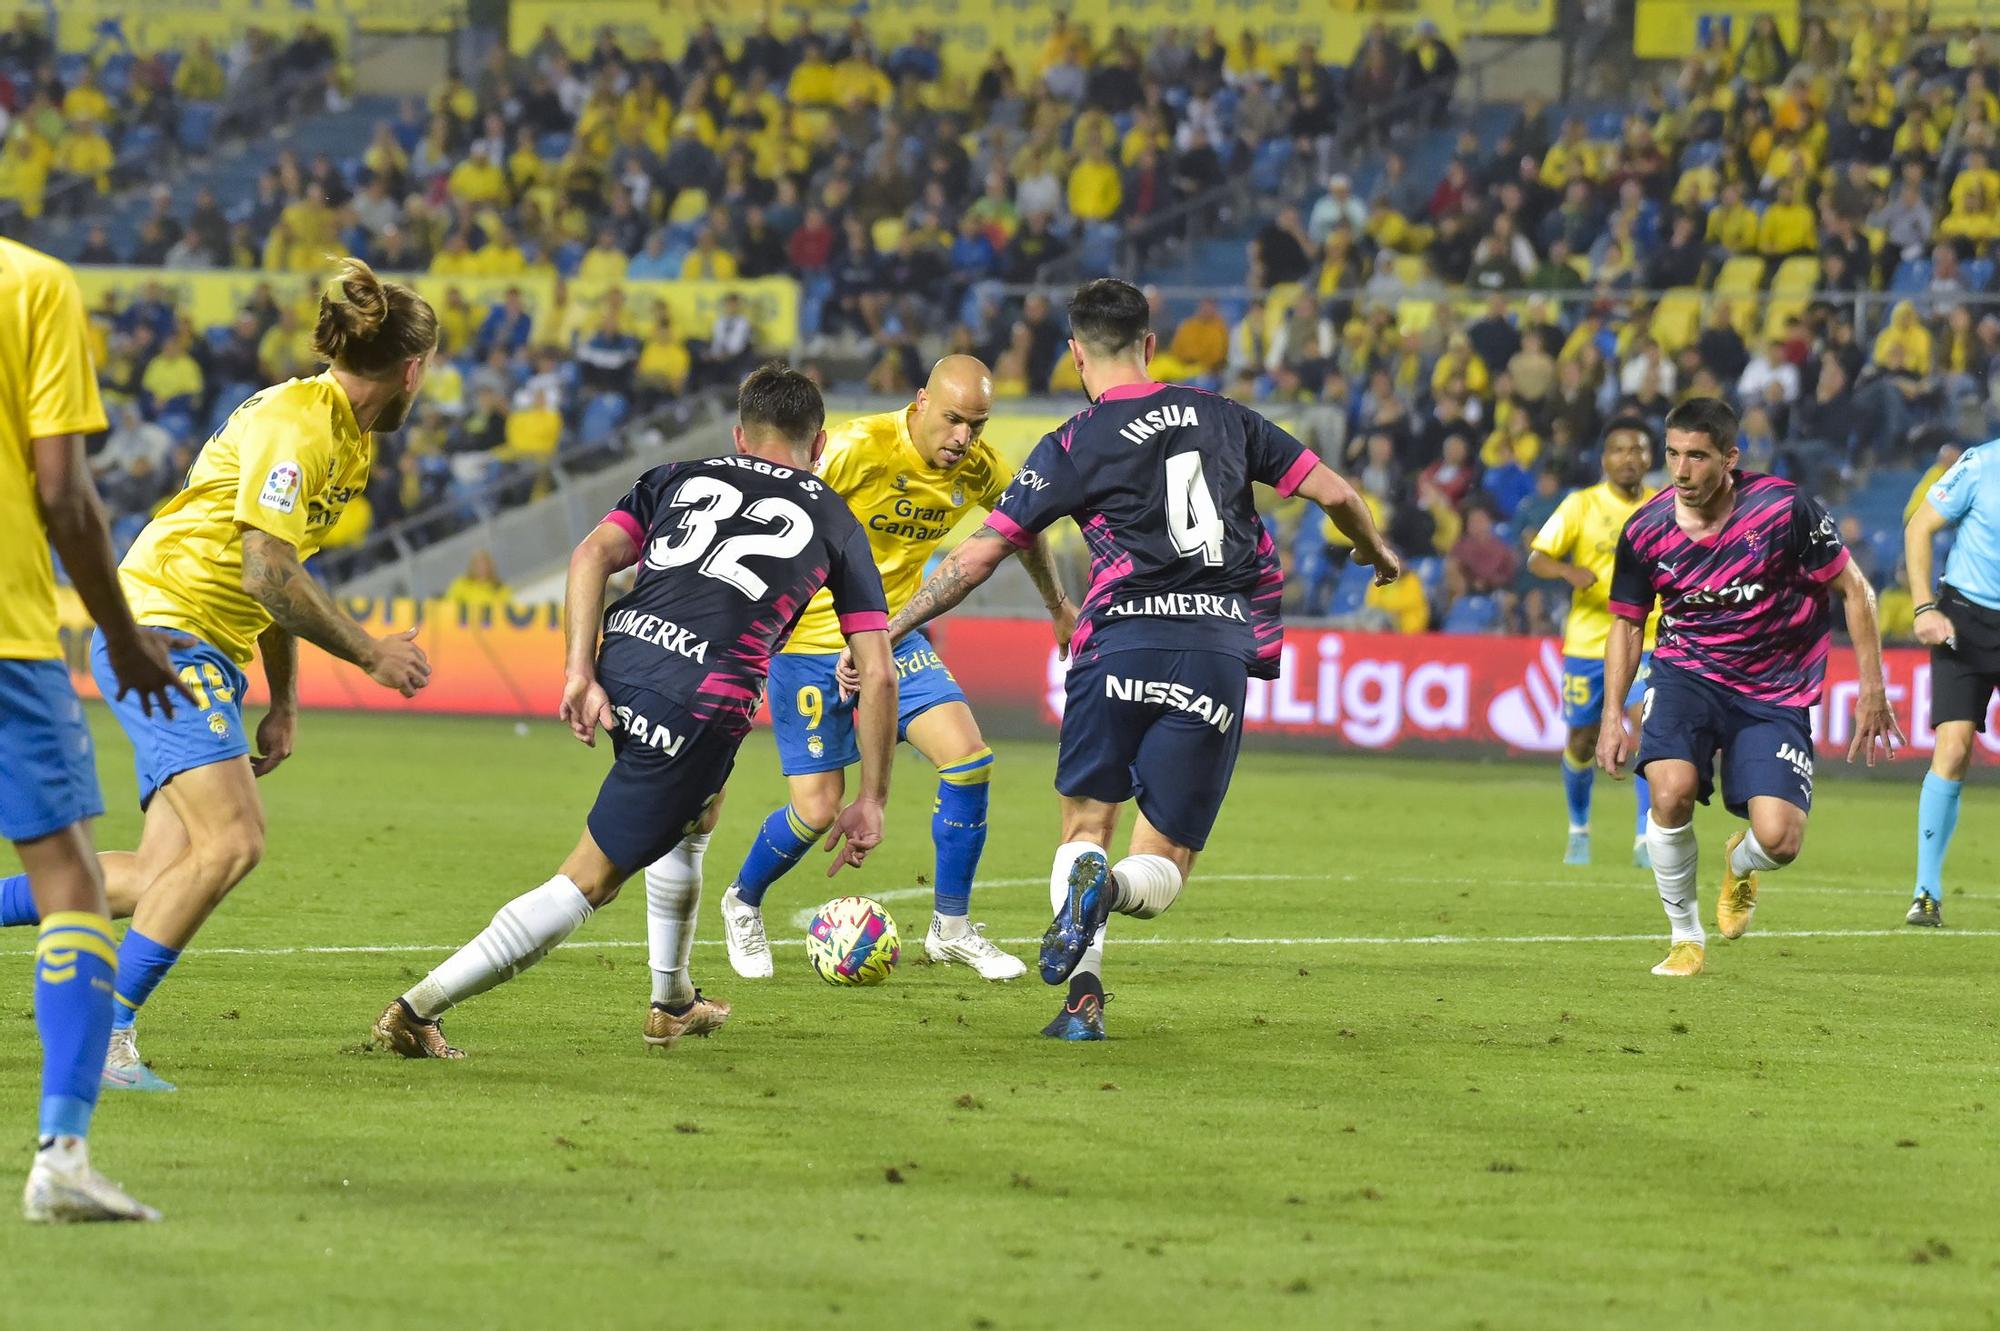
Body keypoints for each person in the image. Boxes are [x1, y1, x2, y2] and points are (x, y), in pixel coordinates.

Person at [856, 279, 1398, 1038]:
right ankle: (1107, 892)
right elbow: (1335, 494)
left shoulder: (1073, 442)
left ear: (1076, 355)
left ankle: (1082, 1001)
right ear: (1149, 344)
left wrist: (890, 629)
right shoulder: (1228, 416)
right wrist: (1376, 550)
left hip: (1115, 644)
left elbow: (974, 559)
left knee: (1085, 826)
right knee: (1166, 861)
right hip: (1213, 650)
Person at [0, 259, 437, 1090]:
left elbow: (280, 573)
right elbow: (265, 571)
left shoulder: (343, 439)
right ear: (412, 370)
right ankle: (105, 1037)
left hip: (203, 643)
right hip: (165, 634)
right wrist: (370, 652)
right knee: (235, 839)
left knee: (158, 877)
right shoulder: (297, 424)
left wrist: (284, 701)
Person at [373, 364, 896, 1057]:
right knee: (591, 878)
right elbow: (878, 671)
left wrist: (579, 670)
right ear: (820, 443)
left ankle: (672, 1002)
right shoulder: (834, 518)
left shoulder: (675, 475)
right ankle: (417, 1009)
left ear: (740, 437)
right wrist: (871, 798)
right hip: (700, 698)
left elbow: (591, 554)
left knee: (699, 810)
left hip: (623, 657)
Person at [717, 357, 1073, 983]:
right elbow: (776, 520)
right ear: (921, 401)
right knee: (818, 810)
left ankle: (951, 929)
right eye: (953, 419)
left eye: (977, 425)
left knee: (968, 759)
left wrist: (1058, 604)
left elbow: (1024, 530)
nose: (963, 438)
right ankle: (742, 901)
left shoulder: (981, 468)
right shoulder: (858, 448)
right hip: (807, 644)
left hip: (892, 636)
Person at [0, 238, 188, 1222]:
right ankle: (62, 1157)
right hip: (7, 636)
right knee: (72, 884)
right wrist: (122, 633)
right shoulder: (32, 285)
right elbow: (62, 494)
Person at [1597, 398, 1901, 977]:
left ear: (1730, 459)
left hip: (1774, 688)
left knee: (1780, 840)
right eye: (1673, 454)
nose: (1681, 471)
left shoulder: (1784, 510)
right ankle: (1685, 938)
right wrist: (1613, 713)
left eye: (1697, 457)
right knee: (1670, 791)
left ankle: (1741, 862)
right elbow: (1628, 623)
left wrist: (1872, 688)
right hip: (1686, 674)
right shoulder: (1645, 530)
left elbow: (1854, 588)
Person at [1526, 417, 1659, 868]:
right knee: (1582, 740)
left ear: (1650, 458)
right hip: (1589, 642)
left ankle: (1645, 837)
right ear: (1605, 459)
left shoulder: (1664, 505)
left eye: (1637, 450)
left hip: (1648, 637)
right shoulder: (1580, 504)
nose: (1629, 458)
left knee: (1648, 730)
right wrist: (1568, 571)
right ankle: (1579, 830)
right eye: (1619, 450)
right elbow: (1537, 558)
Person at [1901, 440, 1999, 926]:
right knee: (1954, 747)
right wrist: (1924, 608)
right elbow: (1920, 525)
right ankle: (1926, 893)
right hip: (1965, 618)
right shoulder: (1981, 464)